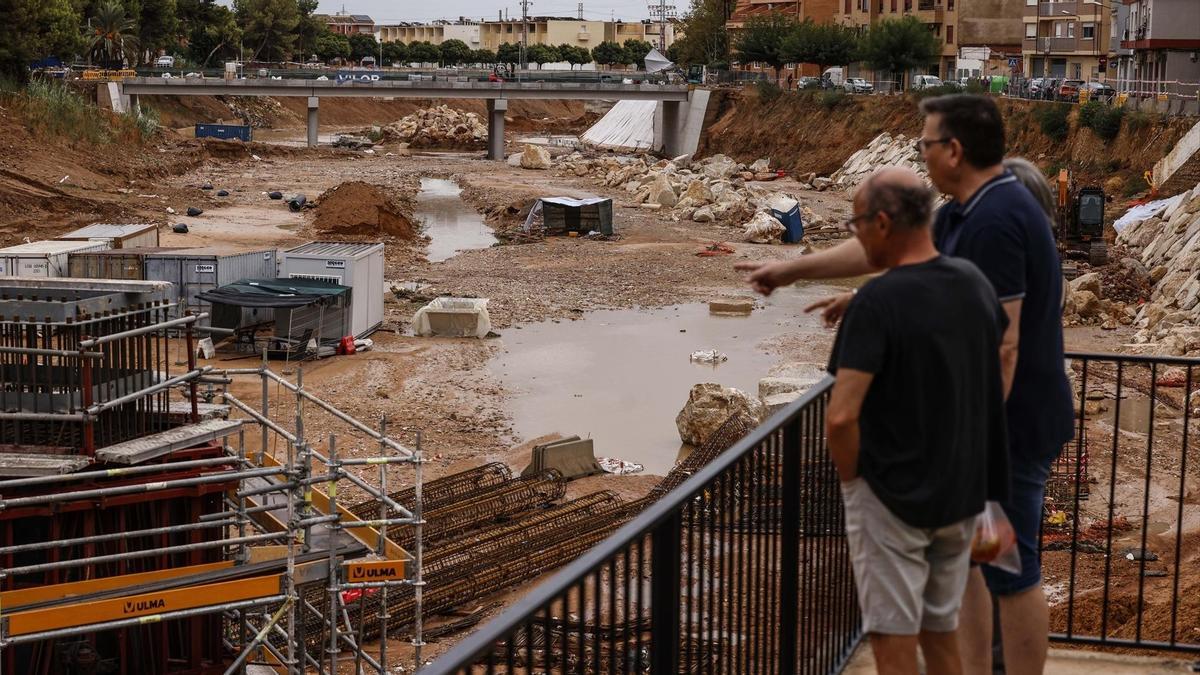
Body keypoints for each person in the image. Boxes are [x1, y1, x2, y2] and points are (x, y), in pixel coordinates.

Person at [737, 94, 1074, 675]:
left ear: (954, 150)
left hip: (1008, 430)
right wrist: (791, 270)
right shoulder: (969, 209)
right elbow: (901, 258)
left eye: (924, 143)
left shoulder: (996, 219)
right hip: (989, 434)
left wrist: (973, 440)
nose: (921, 152)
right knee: (973, 567)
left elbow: (1005, 345)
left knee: (1012, 571)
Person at [826, 167, 1008, 675]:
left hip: (893, 500)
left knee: (892, 639)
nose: (855, 233)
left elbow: (841, 417)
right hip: (959, 494)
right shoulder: (974, 284)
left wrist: (854, 485)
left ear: (882, 223)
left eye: (857, 222)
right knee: (940, 632)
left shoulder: (878, 302)